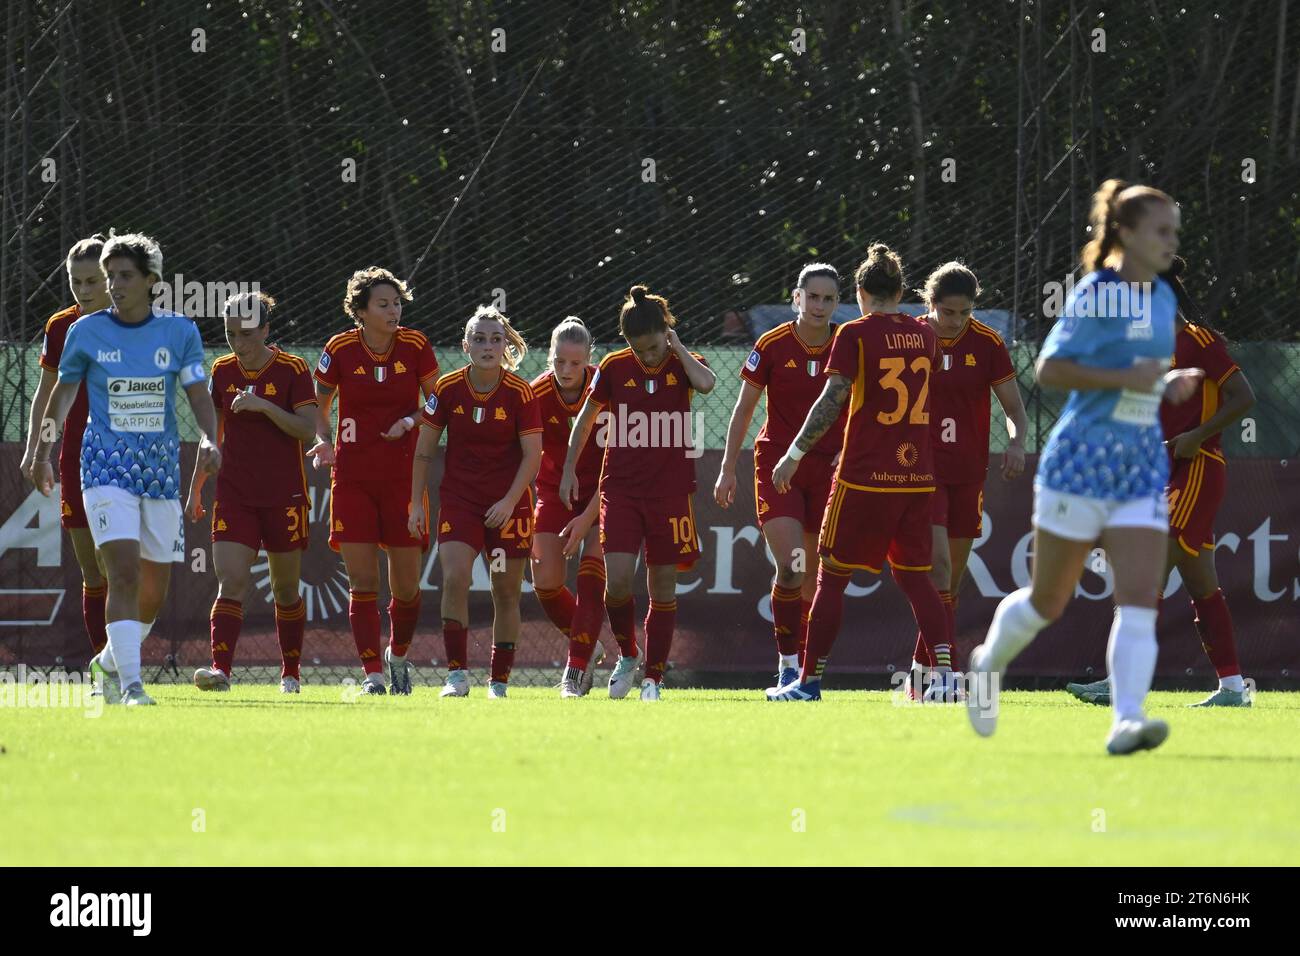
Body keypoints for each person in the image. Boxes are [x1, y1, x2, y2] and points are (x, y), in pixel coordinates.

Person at [964, 179, 1203, 755]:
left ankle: (1126, 720)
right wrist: (1131, 379)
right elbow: (1050, 370)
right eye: (1161, 231)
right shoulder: (1097, 292)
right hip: (1078, 463)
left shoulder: (1164, 297)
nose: (1173, 241)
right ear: (1125, 233)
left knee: (1140, 596)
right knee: (1049, 601)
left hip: (1140, 465)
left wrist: (1166, 385)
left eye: (1175, 230)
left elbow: (1141, 376)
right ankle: (987, 662)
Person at [32, 232, 221, 705]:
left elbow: (198, 391)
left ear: (151, 280)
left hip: (158, 472)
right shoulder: (85, 330)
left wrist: (209, 437)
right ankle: (131, 686)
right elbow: (62, 394)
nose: (113, 284)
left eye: (124, 275)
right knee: (121, 572)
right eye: (109, 275)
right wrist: (42, 451)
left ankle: (110, 661)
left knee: (153, 591)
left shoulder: (179, 331)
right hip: (102, 466)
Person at [1065, 255, 1256, 708]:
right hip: (1158, 474)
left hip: (1197, 469)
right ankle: (1233, 689)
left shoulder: (1200, 341)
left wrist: (1196, 436)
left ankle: (1122, 683)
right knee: (1201, 585)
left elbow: (1244, 397)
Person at [765, 243, 948, 702]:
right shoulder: (925, 335)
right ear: (902, 290)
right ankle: (946, 677)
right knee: (916, 579)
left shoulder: (853, 334)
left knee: (831, 578)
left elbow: (831, 401)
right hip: (916, 477)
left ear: (861, 293)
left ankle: (808, 682)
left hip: (864, 476)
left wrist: (794, 452)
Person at [559, 285, 716, 701]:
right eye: (639, 349)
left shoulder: (683, 363)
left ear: (667, 333)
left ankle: (654, 678)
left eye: (654, 346)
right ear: (627, 343)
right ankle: (629, 654)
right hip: (621, 493)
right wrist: (569, 468)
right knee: (618, 585)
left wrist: (676, 347)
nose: (648, 356)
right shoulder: (613, 368)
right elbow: (586, 421)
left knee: (663, 587)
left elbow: (707, 384)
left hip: (671, 495)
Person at [714, 263, 846, 691]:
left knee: (811, 575)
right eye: (813, 297)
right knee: (791, 567)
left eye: (828, 298)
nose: (820, 306)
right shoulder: (771, 344)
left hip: (828, 469)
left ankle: (806, 676)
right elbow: (744, 409)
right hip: (778, 467)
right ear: (797, 298)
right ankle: (788, 665)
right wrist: (727, 467)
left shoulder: (847, 344)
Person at [308, 268, 439, 695]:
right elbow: (318, 407)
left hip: (404, 477)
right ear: (361, 311)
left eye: (397, 303)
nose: (393, 310)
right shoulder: (340, 348)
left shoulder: (416, 345)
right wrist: (323, 441)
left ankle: (396, 655)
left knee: (406, 586)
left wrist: (409, 420)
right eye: (383, 304)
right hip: (352, 478)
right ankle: (373, 675)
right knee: (363, 583)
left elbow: (437, 402)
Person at [907, 262, 1028, 701]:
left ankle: (920, 674)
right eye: (947, 311)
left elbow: (1015, 411)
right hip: (921, 472)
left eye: (964, 312)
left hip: (968, 474)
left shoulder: (988, 343)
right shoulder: (911, 338)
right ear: (930, 303)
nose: (955, 320)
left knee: (951, 582)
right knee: (938, 569)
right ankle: (948, 675)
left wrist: (1016, 444)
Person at [408, 307, 542, 699]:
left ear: (505, 345)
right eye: (479, 339)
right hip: (460, 502)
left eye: (495, 339)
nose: (488, 346)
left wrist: (507, 502)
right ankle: (457, 675)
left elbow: (532, 457)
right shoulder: (447, 389)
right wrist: (415, 503)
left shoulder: (520, 392)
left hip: (508, 506)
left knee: (505, 592)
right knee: (455, 578)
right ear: (466, 345)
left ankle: (498, 682)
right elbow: (423, 452)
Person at [187, 292, 316, 693]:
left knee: (285, 589)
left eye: (246, 334)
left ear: (265, 329)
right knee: (231, 582)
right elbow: (212, 437)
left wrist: (264, 406)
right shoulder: (222, 370)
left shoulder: (294, 369)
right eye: (229, 334)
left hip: (284, 496)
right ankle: (221, 670)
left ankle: (290, 674)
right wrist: (195, 489)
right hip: (235, 494)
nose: (238, 344)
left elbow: (308, 430)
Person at [21, 235, 113, 664]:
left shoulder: (138, 324)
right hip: (75, 456)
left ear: (112, 279)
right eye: (76, 281)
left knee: (123, 567)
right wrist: (34, 450)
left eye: (93, 280)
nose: (84, 289)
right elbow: (45, 395)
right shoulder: (60, 326)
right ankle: (106, 670)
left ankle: (124, 661)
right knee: (92, 569)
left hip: (127, 459)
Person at [530, 317, 609, 698]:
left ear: (589, 359)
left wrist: (587, 519)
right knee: (544, 580)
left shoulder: (607, 389)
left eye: (575, 363)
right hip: (554, 492)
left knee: (592, 582)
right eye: (559, 361)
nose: (566, 370)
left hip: (604, 494)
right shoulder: (535, 394)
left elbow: (619, 468)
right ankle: (592, 647)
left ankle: (574, 671)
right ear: (550, 356)